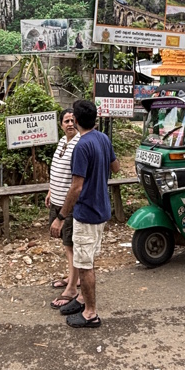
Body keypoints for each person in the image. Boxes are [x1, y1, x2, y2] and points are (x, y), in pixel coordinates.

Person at [50, 99, 119, 328]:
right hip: (102, 210)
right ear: (96, 119)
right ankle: (81, 298)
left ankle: (91, 313)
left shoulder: (82, 146)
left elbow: (76, 187)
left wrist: (60, 217)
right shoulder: (103, 139)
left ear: (76, 121)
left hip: (86, 213)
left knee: (85, 265)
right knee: (85, 259)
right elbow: (116, 167)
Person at [46, 109, 80, 308]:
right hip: (56, 199)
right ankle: (71, 276)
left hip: (69, 205)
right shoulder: (61, 142)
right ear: (61, 125)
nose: (69, 124)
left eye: (72, 120)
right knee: (65, 243)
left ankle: (73, 286)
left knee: (70, 244)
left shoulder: (79, 144)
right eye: (66, 121)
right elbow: (56, 169)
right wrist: (51, 190)